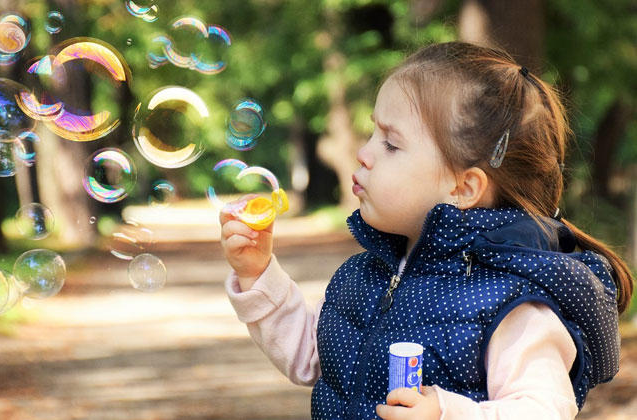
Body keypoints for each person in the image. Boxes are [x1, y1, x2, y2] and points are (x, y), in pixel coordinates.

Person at [219, 41, 634, 420]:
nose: (363, 154)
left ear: (463, 187)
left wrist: (448, 413)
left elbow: (543, 409)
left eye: (391, 144)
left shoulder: (510, 302)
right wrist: (258, 274)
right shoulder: (365, 275)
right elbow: (313, 357)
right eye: (371, 132)